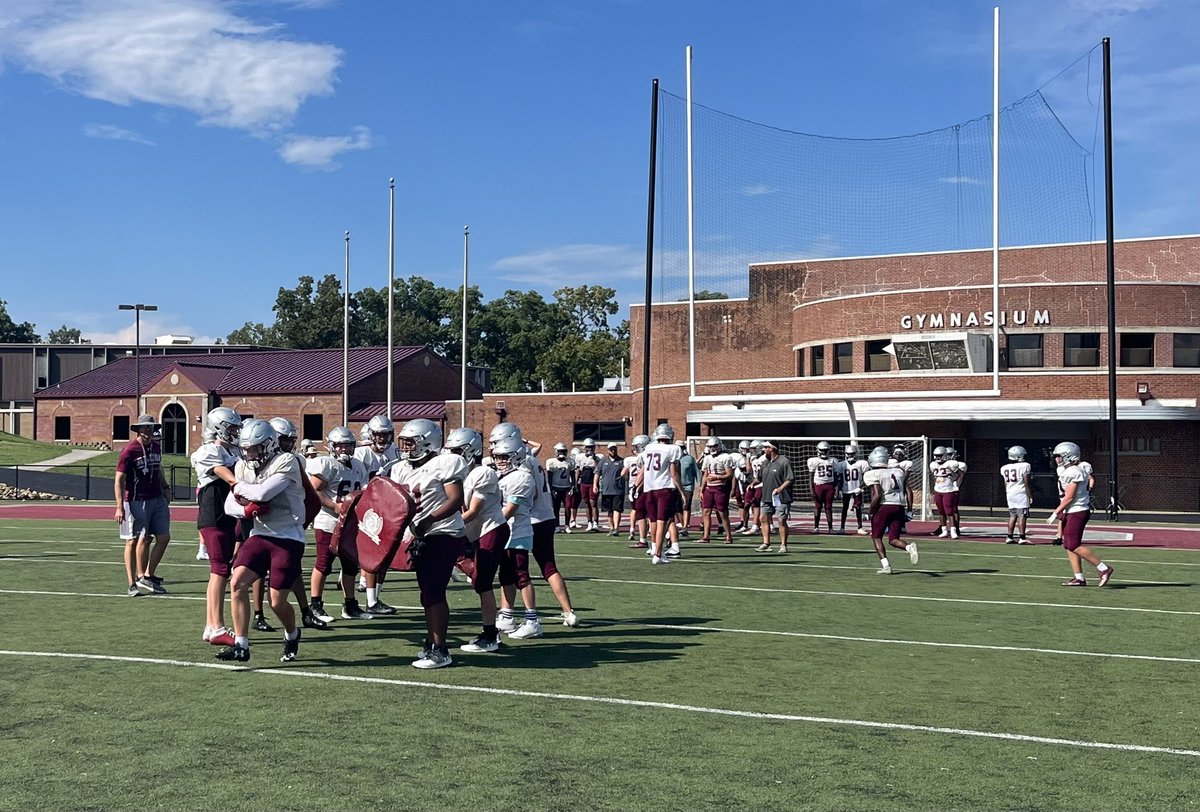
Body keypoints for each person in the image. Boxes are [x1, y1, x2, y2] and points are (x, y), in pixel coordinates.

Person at [217, 419, 307, 663]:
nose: (248, 454)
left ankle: (291, 633)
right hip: (260, 533)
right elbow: (229, 505)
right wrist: (245, 510)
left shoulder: (286, 461)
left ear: (268, 445)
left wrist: (241, 492)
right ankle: (241, 645)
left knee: (276, 602)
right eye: (245, 449)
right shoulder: (243, 467)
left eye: (254, 448)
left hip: (288, 535)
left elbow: (262, 494)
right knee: (237, 583)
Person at [390, 418, 469, 668]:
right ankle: (432, 642)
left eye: (411, 443)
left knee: (434, 592)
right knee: (427, 593)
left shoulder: (445, 462)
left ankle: (441, 649)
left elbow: (456, 500)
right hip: (420, 536)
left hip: (443, 533)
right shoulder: (401, 468)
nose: (406, 448)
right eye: (404, 443)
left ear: (427, 443)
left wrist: (428, 520)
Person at [447, 427, 509, 653]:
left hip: (490, 530)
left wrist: (443, 525)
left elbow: (473, 511)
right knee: (476, 579)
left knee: (482, 582)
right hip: (474, 532)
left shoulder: (483, 473)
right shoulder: (458, 474)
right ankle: (490, 631)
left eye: (457, 451)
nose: (452, 456)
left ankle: (491, 635)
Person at [307, 426, 372, 623]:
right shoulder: (326, 464)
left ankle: (350, 605)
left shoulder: (359, 465)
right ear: (332, 447)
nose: (344, 449)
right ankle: (316, 605)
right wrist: (335, 506)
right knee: (324, 564)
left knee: (350, 565)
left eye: (348, 445)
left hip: (351, 523)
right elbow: (314, 491)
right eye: (340, 446)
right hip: (328, 521)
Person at [190, 407, 242, 646]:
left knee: (219, 570)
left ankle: (211, 626)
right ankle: (217, 626)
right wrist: (240, 485)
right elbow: (224, 474)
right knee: (220, 570)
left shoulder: (232, 451)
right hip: (215, 515)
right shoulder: (208, 451)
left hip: (226, 516)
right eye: (231, 428)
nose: (235, 432)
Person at [491, 433, 543, 639]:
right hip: (506, 532)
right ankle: (507, 615)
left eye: (504, 457)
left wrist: (488, 525)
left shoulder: (522, 476)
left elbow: (510, 509)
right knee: (505, 576)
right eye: (498, 457)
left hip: (517, 531)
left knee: (521, 575)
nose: (500, 461)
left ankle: (532, 619)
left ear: (517, 456)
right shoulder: (503, 475)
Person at [114, 413, 172, 596]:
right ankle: (132, 582)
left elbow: (158, 469)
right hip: (136, 500)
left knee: (163, 537)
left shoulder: (156, 447)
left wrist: (165, 487)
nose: (147, 430)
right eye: (144, 427)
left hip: (157, 498)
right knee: (133, 540)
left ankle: (147, 575)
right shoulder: (129, 450)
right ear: (138, 429)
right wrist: (119, 506)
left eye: (150, 427)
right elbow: (119, 480)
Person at [1050, 442, 1114, 587]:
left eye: (1059, 456)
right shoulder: (1066, 470)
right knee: (1068, 545)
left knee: (1073, 544)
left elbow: (1070, 497)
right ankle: (1079, 577)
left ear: (1069, 456)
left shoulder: (1075, 471)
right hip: (1070, 510)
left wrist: (1056, 511)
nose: (1056, 459)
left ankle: (1104, 569)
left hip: (1077, 510)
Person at [864, 446, 919, 574]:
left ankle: (886, 566)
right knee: (893, 539)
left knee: (876, 537)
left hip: (884, 506)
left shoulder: (872, 473)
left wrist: (870, 512)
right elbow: (907, 490)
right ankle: (908, 547)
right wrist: (909, 510)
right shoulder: (898, 472)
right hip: (899, 506)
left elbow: (877, 495)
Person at [636, 423, 684, 564]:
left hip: (649, 488)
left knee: (653, 520)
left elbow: (643, 470)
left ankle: (656, 550)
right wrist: (681, 491)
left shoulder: (650, 447)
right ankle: (657, 554)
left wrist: (636, 486)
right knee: (663, 520)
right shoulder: (673, 449)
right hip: (664, 488)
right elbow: (673, 472)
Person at [757, 441, 793, 552]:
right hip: (766, 496)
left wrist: (780, 489)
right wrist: (752, 484)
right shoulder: (765, 463)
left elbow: (790, 479)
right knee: (763, 518)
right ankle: (766, 543)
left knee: (781, 520)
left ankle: (783, 545)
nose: (764, 450)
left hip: (781, 497)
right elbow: (759, 478)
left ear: (772, 448)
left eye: (766, 448)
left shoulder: (784, 461)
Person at [698, 436, 734, 544]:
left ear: (719, 446)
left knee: (722, 512)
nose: (712, 448)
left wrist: (717, 477)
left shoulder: (726, 457)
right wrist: (701, 489)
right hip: (709, 488)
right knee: (706, 512)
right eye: (710, 446)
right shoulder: (707, 458)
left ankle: (728, 535)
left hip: (720, 487)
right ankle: (706, 536)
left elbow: (729, 474)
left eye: (714, 446)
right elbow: (705, 475)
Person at [930, 446, 966, 538]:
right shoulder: (933, 465)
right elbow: (934, 477)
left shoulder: (951, 464)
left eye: (939, 456)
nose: (937, 458)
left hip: (948, 490)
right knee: (941, 511)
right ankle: (944, 530)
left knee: (949, 511)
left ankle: (953, 530)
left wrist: (956, 484)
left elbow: (960, 474)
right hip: (938, 490)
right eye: (936, 456)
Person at [1000, 445, 1034, 544]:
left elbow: (1005, 483)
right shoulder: (1025, 466)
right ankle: (1022, 538)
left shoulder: (1004, 468)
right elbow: (1026, 483)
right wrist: (1030, 495)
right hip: (1021, 492)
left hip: (1010, 492)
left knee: (1012, 515)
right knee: (1022, 515)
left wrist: (1008, 492)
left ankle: (1009, 536)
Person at [836, 444, 870, 535]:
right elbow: (839, 478)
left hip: (857, 489)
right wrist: (839, 489)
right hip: (846, 489)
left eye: (852, 454)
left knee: (858, 508)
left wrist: (860, 487)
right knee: (844, 508)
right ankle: (842, 527)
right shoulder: (842, 464)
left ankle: (860, 527)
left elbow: (866, 477)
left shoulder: (861, 464)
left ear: (856, 454)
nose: (850, 456)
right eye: (848, 454)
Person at [623, 434, 650, 547]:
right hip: (656, 487)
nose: (635, 449)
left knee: (642, 514)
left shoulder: (643, 456)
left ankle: (644, 540)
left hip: (645, 488)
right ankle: (667, 538)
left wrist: (636, 488)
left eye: (636, 446)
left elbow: (644, 474)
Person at [546, 442, 577, 533]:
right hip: (556, 487)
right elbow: (549, 477)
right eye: (560, 451)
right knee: (556, 508)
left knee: (568, 506)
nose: (562, 453)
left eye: (564, 451)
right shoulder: (551, 462)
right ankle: (557, 526)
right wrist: (551, 488)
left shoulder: (570, 461)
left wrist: (573, 486)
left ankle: (567, 526)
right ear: (556, 451)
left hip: (566, 487)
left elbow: (572, 475)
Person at [807, 441, 837, 534]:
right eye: (822, 450)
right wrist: (811, 489)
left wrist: (836, 488)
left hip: (829, 485)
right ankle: (816, 527)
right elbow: (811, 476)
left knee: (828, 507)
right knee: (818, 507)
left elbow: (835, 476)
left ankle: (830, 528)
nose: (824, 452)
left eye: (826, 450)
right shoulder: (814, 461)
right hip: (818, 485)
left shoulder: (833, 460)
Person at [598, 442, 627, 536]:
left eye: (614, 449)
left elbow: (626, 474)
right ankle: (611, 527)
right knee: (609, 511)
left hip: (618, 489)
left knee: (617, 509)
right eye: (611, 449)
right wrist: (595, 485)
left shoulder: (622, 461)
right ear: (608, 450)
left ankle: (616, 528)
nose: (613, 450)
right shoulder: (603, 461)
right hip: (606, 490)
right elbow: (597, 473)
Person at [573, 438, 601, 531]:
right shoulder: (580, 457)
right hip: (584, 482)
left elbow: (599, 469)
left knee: (593, 502)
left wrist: (593, 458)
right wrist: (575, 482)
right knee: (586, 503)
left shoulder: (598, 457)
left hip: (593, 482)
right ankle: (589, 522)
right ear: (584, 447)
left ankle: (596, 522)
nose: (589, 449)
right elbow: (578, 470)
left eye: (591, 447)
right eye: (588, 447)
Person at [677, 439, 699, 537]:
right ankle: (682, 524)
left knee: (686, 505)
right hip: (675, 486)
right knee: (677, 508)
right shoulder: (672, 458)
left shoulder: (690, 459)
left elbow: (696, 473)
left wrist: (701, 485)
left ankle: (685, 526)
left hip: (687, 485)